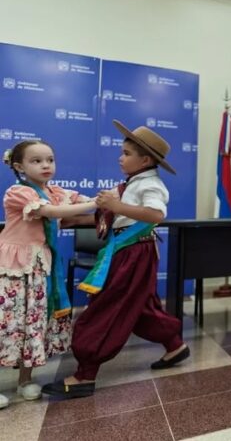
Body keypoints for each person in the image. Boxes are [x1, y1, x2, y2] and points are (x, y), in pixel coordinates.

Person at [43, 122, 189, 399]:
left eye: (126, 153)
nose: (120, 158)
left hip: (133, 253)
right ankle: (175, 344)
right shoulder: (133, 183)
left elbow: (156, 215)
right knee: (140, 307)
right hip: (131, 251)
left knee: (108, 305)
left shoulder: (151, 184)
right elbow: (118, 218)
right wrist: (74, 220)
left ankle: (85, 374)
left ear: (145, 160)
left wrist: (116, 205)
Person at [0, 141, 96, 409]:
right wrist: (96, 203)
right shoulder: (18, 192)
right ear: (19, 166)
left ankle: (25, 380)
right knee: (7, 323)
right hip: (12, 269)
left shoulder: (54, 191)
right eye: (36, 161)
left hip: (39, 268)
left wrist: (112, 198)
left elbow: (80, 201)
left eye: (50, 160)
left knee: (33, 322)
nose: (46, 165)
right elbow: (51, 212)